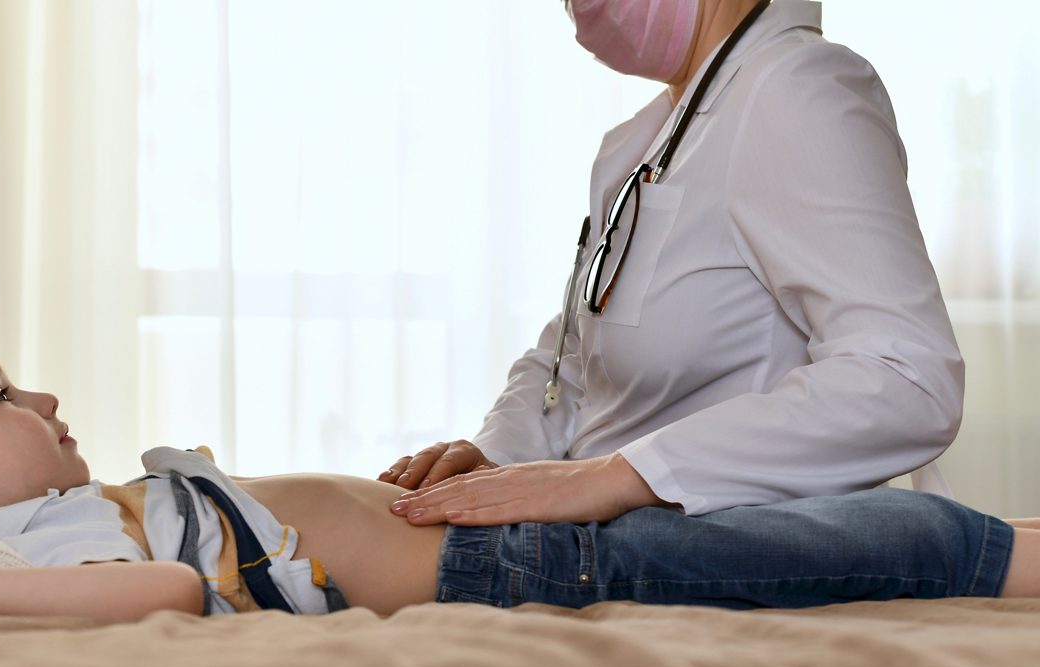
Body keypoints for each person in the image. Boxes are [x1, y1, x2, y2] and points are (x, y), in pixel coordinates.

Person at [0, 316, 1040, 622]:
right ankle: (1011, 552)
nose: (39, 395)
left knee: (808, 522)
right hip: (515, 564)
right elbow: (151, 596)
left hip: (500, 534)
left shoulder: (49, 515)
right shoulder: (28, 550)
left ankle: (1008, 538)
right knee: (837, 538)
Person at [381, 0, 964, 531]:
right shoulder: (643, 141)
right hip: (590, 540)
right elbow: (570, 357)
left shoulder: (794, 89)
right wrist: (497, 458)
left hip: (700, 547)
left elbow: (906, 378)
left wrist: (619, 477)